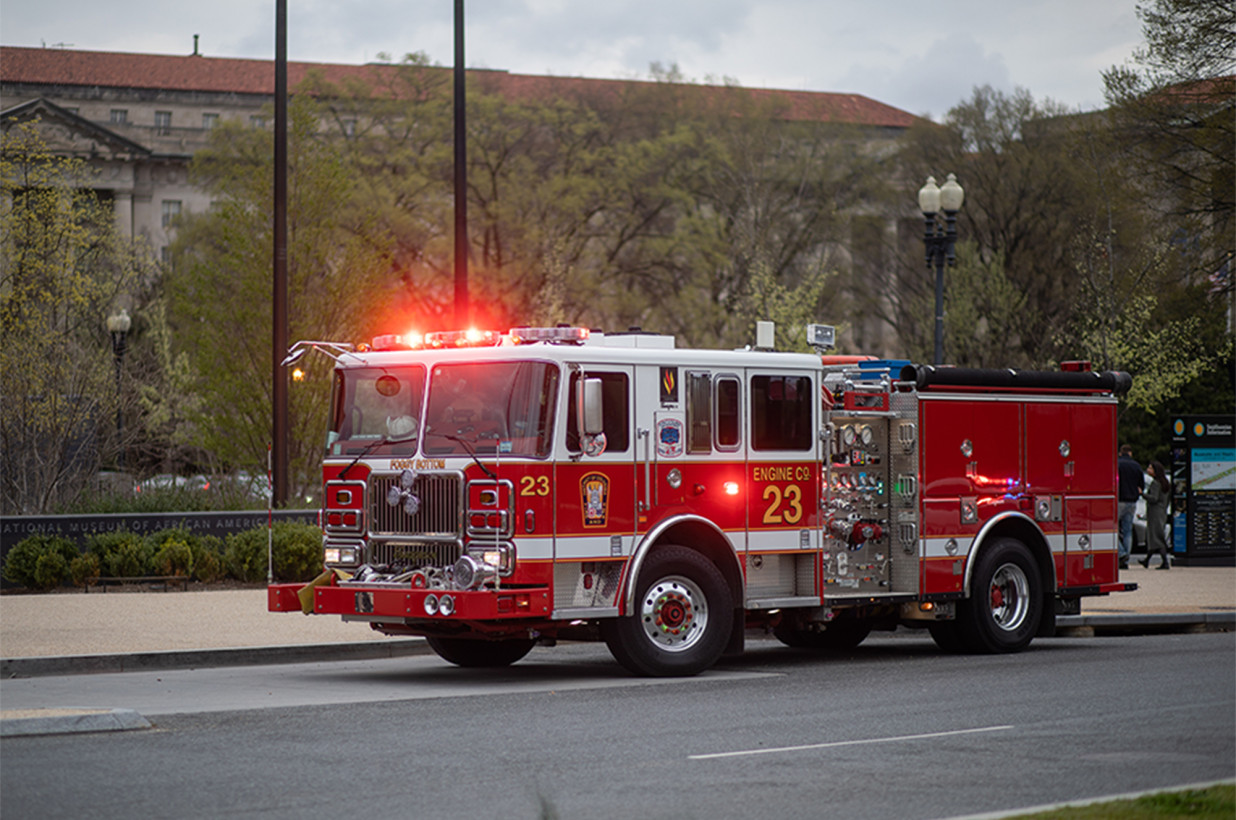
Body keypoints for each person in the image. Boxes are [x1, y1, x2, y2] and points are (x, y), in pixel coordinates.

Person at [1140, 461, 1172, 569]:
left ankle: (1165, 562)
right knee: (1155, 536)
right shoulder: (1165, 483)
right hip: (1162, 512)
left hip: (1155, 512)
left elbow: (1154, 498)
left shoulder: (1155, 483)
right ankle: (1147, 560)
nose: (1148, 470)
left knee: (1156, 537)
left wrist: (1142, 494)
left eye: (1150, 468)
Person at [1116, 444, 1143, 569]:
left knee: (1112, 530)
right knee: (1128, 532)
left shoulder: (1117, 464)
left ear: (1121, 453)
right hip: (1132, 501)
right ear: (1130, 453)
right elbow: (1141, 485)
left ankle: (1121, 553)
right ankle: (1126, 559)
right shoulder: (1136, 466)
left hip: (1119, 500)